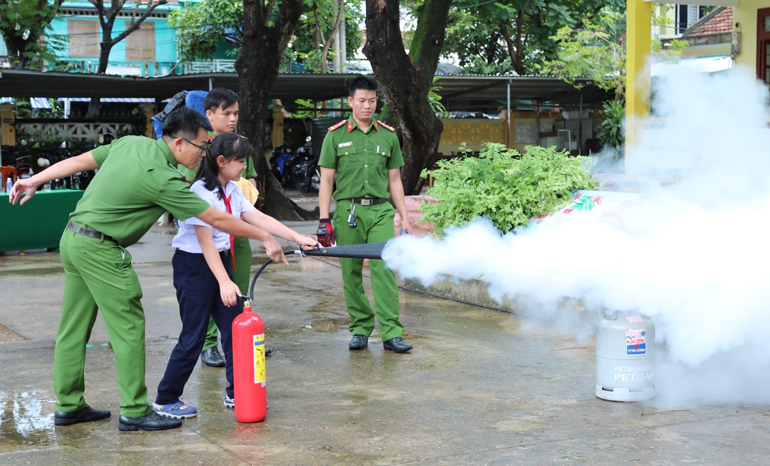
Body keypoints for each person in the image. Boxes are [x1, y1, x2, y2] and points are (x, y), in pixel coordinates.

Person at [8, 107, 290, 432]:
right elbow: (215, 219)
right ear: (180, 144)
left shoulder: (130, 143)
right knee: (129, 326)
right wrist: (265, 236)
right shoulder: (164, 179)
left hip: (73, 238)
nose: (204, 154)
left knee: (73, 328)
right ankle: (135, 410)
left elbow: (81, 161)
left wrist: (35, 180)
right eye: (201, 146)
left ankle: (69, 405)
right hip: (101, 249)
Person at [153, 133, 316, 419]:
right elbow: (204, 242)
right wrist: (224, 282)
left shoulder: (231, 189)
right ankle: (166, 397)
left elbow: (256, 217)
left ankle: (237, 392)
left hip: (219, 262)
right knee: (194, 334)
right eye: (240, 161)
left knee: (234, 330)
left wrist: (296, 237)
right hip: (194, 267)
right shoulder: (200, 193)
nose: (244, 167)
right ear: (221, 161)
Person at [317, 76, 414, 354]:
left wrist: (404, 216)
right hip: (348, 211)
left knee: (385, 269)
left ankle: (391, 333)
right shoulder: (335, 135)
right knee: (351, 271)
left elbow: (394, 180)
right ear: (350, 102)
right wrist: (324, 219)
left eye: (372, 100)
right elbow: (326, 181)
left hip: (381, 211)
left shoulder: (387, 134)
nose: (367, 106)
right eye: (361, 100)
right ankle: (360, 328)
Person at [179, 88, 259, 369]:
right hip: (208, 230)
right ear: (209, 114)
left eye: (236, 113)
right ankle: (210, 343)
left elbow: (250, 183)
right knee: (213, 288)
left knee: (238, 288)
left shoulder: (240, 145)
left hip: (237, 229)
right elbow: (187, 192)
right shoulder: (198, 150)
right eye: (227, 113)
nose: (233, 118)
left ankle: (239, 335)